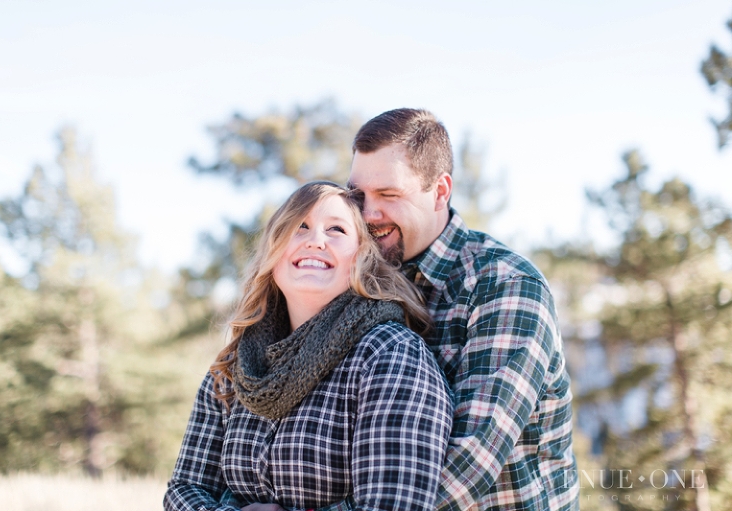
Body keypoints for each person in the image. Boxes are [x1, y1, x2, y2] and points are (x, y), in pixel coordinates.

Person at [164, 181, 453, 511]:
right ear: (275, 251)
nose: (316, 241)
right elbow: (186, 488)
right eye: (300, 227)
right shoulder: (238, 362)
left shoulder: (391, 356)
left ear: (360, 256)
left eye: (336, 230)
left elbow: (394, 505)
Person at [346, 108, 579, 511]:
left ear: (440, 191)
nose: (368, 214)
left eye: (388, 195)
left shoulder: (504, 284)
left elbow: (468, 465)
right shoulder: (356, 283)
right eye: (358, 196)